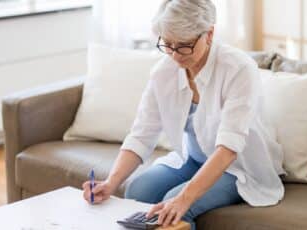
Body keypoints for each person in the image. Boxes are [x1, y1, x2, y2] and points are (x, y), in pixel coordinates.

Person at [82, 0, 286, 229]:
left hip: (238, 167)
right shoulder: (163, 72)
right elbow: (142, 134)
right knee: (138, 190)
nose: (176, 55)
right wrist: (110, 183)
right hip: (194, 160)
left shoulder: (238, 69)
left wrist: (183, 199)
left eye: (185, 45)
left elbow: (229, 148)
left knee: (174, 208)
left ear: (209, 34)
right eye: (168, 44)